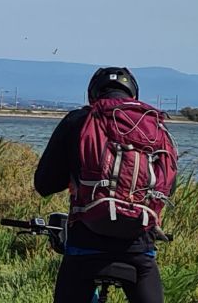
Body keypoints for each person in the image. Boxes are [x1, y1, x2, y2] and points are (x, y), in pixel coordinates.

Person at [34, 67, 175, 303]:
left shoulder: (79, 121)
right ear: (133, 95)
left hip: (85, 246)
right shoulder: (155, 128)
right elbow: (167, 187)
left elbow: (44, 184)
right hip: (138, 249)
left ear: (93, 94)